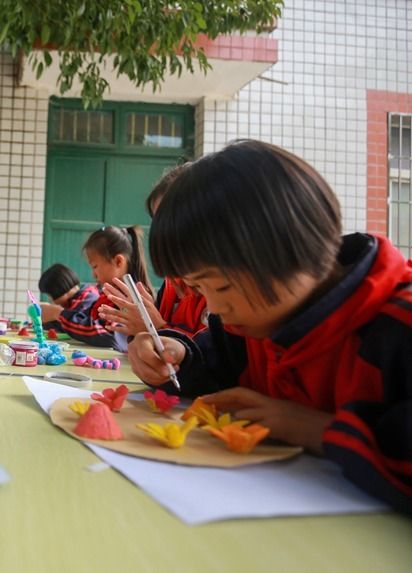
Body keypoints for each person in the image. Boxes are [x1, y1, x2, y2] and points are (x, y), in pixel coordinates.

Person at [128, 139, 412, 513]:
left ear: (289, 249)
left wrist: (314, 430)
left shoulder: (397, 326)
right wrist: (173, 354)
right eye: (199, 289)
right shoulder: (253, 324)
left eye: (222, 286)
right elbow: (211, 364)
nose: (214, 307)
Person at [99, 165, 207, 337]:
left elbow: (215, 357)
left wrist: (157, 328)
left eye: (173, 220)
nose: (164, 232)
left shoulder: (218, 288)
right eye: (159, 222)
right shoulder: (171, 284)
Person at [66, 225, 151, 350]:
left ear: (118, 261)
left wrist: (60, 316)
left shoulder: (134, 298)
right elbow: (89, 319)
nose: (93, 274)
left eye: (95, 266)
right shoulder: (108, 294)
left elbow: (109, 335)